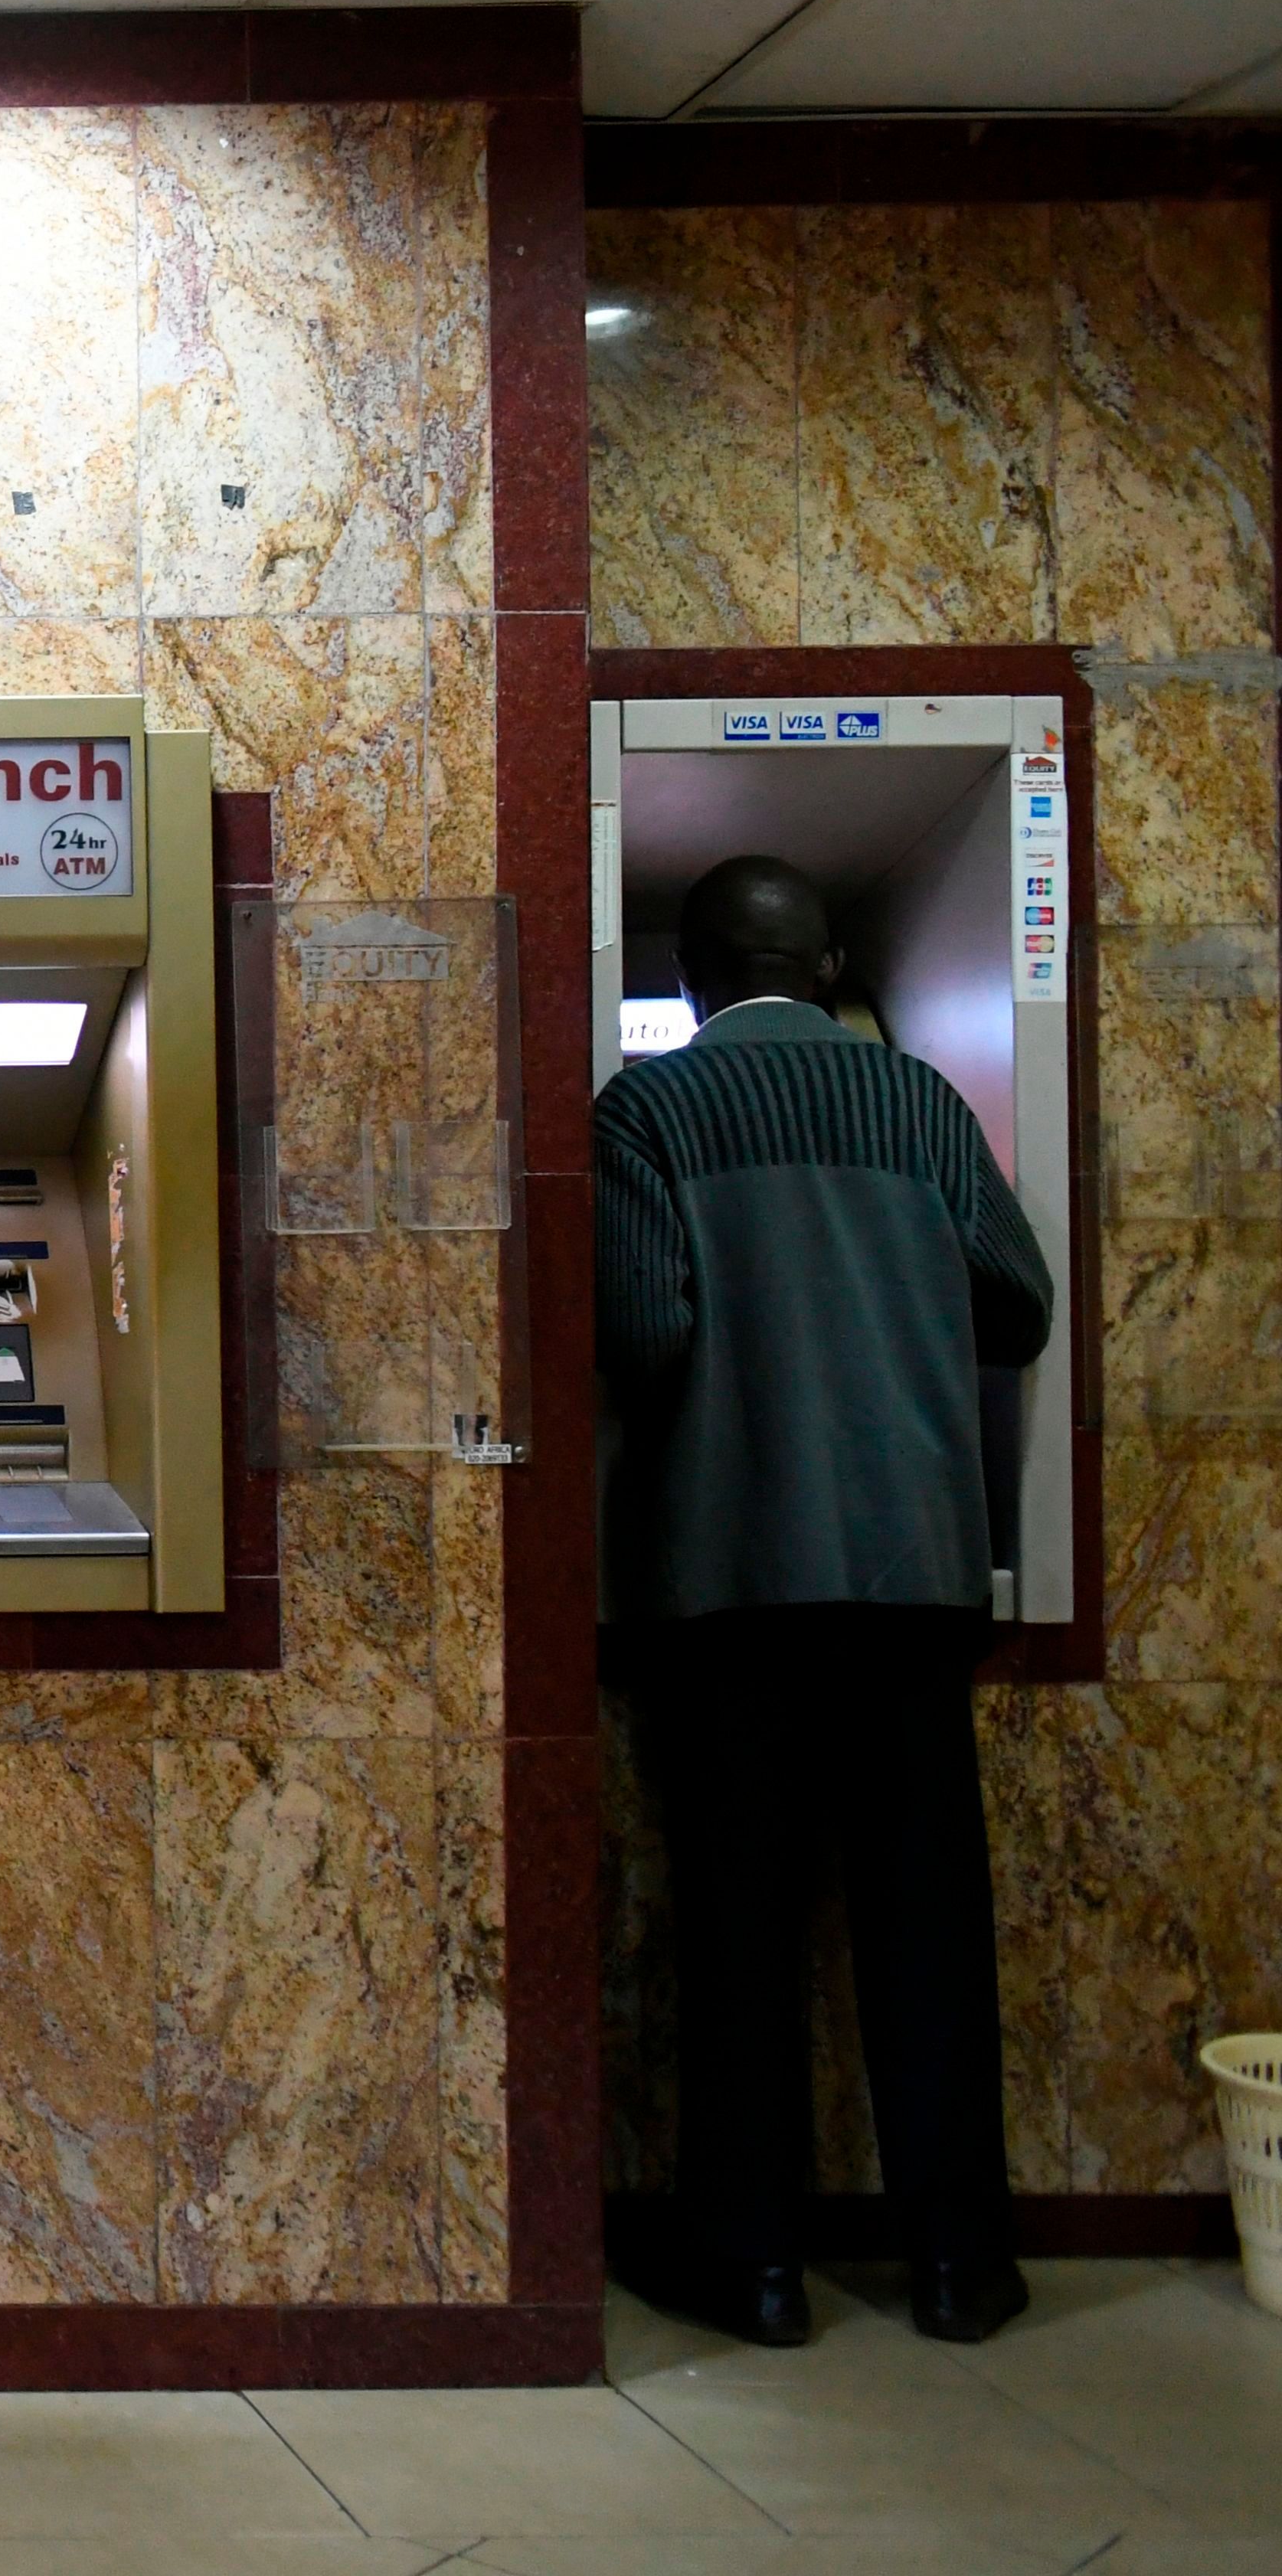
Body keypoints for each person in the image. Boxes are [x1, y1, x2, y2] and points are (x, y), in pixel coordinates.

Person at [596, 855, 1055, 2349]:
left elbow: (648, 1329)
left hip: (732, 1578)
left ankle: (759, 2267)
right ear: (837, 956)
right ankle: (958, 2264)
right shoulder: (921, 1101)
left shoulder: (648, 1112)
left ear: (687, 985)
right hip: (917, 1570)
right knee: (930, 1919)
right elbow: (1017, 1301)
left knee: (741, 1922)